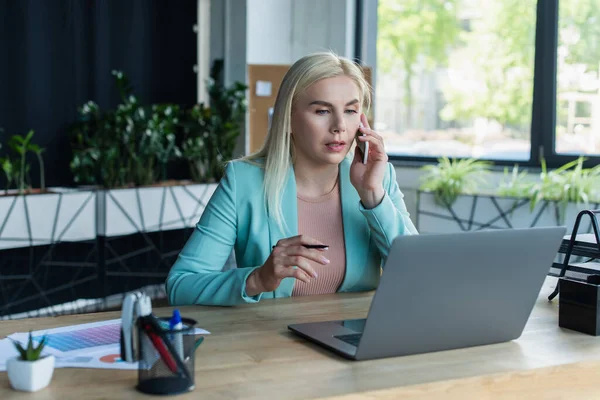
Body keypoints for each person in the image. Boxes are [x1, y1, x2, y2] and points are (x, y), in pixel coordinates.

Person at [166, 51, 417, 306]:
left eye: (351, 110)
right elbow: (181, 285)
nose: (339, 125)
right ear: (287, 119)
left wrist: (373, 195)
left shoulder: (378, 179)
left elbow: (418, 277)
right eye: (322, 111)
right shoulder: (243, 182)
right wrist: (258, 279)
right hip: (272, 341)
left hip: (355, 340)